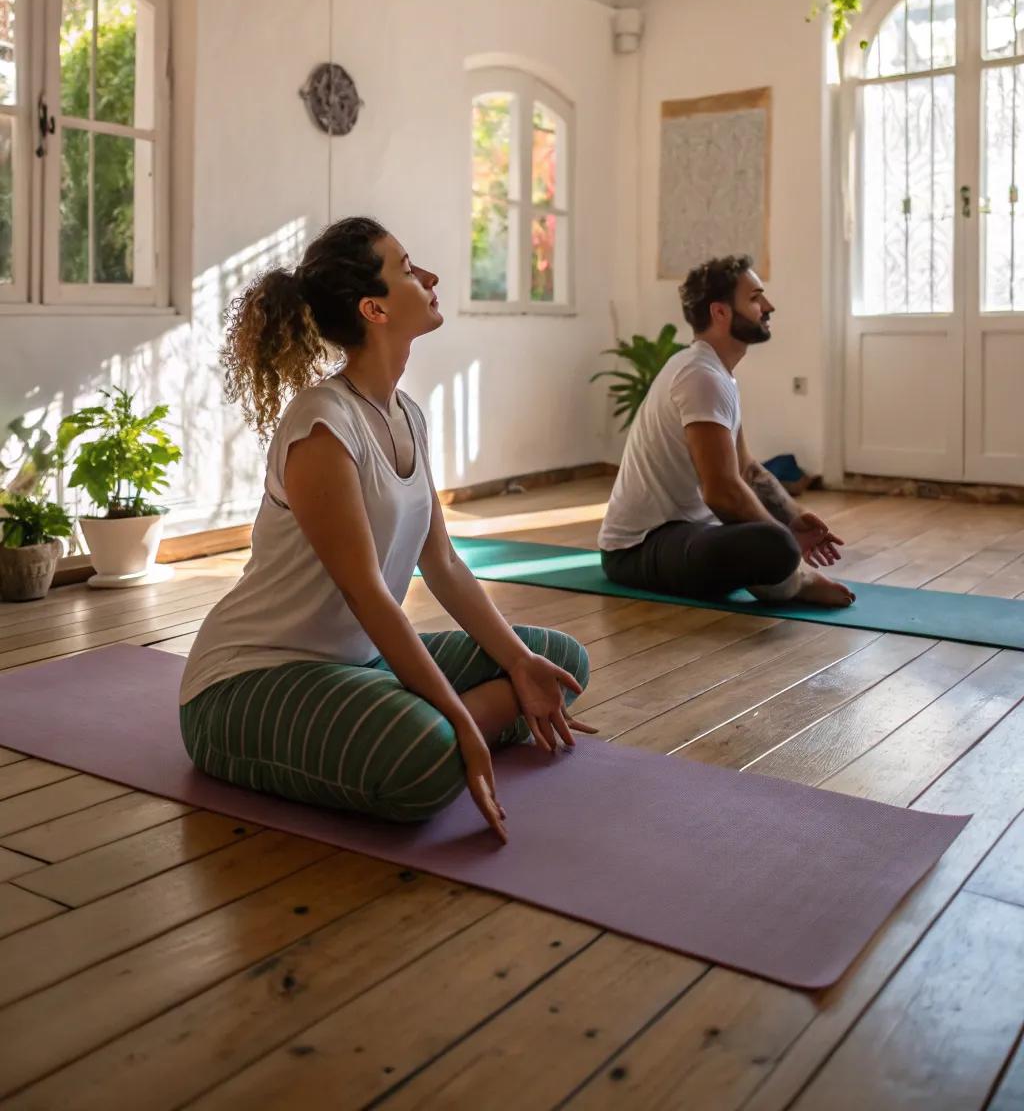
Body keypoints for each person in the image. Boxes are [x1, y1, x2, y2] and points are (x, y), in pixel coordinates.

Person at [179, 216, 592, 844]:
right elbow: (367, 593)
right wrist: (457, 716)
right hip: (247, 682)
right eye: (406, 269)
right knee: (421, 761)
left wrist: (516, 662)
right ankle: (439, 733)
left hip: (359, 665)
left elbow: (445, 565)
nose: (428, 278)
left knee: (555, 662)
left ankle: (433, 721)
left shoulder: (408, 416)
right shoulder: (323, 426)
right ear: (374, 308)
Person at [599, 255, 854, 609]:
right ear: (720, 313)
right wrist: (792, 556)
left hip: (686, 533)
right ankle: (793, 583)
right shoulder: (699, 376)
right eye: (755, 298)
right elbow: (721, 491)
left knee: (773, 539)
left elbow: (746, 469)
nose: (768, 306)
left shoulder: (717, 374)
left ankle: (777, 569)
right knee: (773, 546)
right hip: (637, 549)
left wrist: (794, 518)